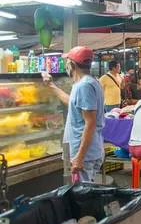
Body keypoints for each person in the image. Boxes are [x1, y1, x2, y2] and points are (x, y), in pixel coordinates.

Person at [42, 47, 105, 183]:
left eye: (67, 61)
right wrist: (51, 85)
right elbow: (72, 102)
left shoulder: (84, 86)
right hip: (88, 151)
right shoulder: (89, 83)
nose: (66, 65)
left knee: (82, 197)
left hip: (84, 154)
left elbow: (90, 123)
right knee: (83, 195)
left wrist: (80, 157)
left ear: (72, 64)